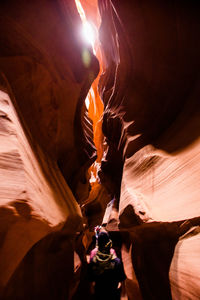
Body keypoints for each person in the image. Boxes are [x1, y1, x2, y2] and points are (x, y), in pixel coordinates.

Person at [88, 229, 126, 300]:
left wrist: (91, 288)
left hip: (99, 290)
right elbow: (121, 277)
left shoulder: (94, 260)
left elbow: (90, 277)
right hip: (113, 290)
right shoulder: (116, 260)